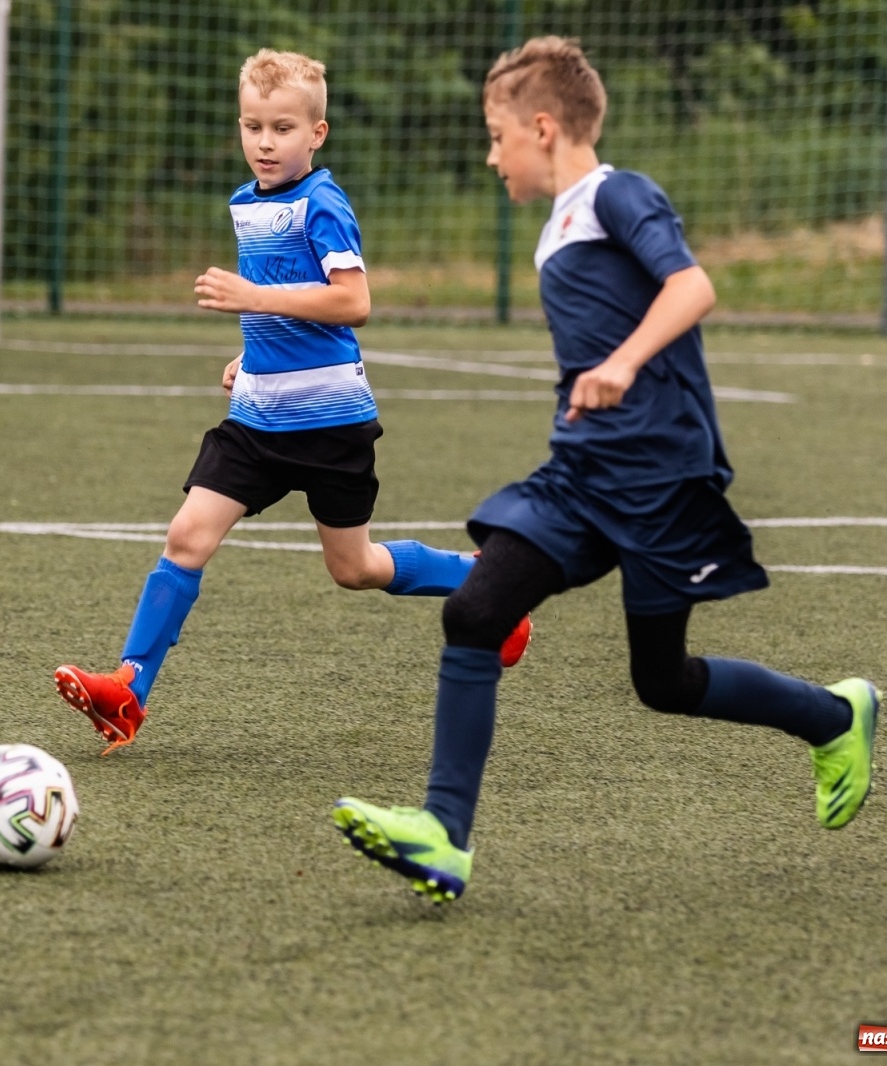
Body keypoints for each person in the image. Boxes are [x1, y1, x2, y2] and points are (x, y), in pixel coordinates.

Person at [330, 37, 880, 905]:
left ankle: (836, 717)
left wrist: (623, 364)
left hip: (658, 478)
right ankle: (443, 837)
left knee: (661, 682)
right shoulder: (559, 225)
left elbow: (691, 289)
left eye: (497, 134)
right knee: (476, 612)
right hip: (583, 476)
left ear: (542, 128)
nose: (491, 154)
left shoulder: (617, 195)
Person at [54, 49, 531, 755]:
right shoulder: (246, 202)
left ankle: (491, 585)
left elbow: (352, 302)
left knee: (355, 569)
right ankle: (129, 690)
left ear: (317, 133)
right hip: (255, 420)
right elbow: (286, 302)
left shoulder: (324, 204)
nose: (265, 142)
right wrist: (254, 350)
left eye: (282, 127)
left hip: (331, 424)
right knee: (187, 537)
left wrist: (253, 300)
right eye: (253, 126)